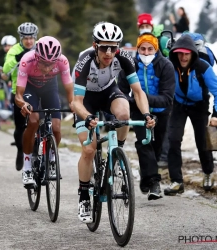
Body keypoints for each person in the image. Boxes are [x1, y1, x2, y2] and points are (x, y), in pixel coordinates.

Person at [73, 22, 155, 223]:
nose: (109, 52)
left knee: (124, 113)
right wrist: (88, 117)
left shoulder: (124, 58)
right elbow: (76, 103)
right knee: (89, 149)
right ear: (95, 46)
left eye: (113, 47)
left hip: (109, 91)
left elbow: (137, 92)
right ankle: (84, 196)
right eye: (104, 47)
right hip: (86, 100)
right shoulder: (84, 62)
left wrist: (146, 114)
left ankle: (117, 153)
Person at [118, 32, 175, 200]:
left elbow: (167, 98)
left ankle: (146, 178)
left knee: (156, 149)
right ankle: (155, 183)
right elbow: (120, 92)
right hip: (138, 112)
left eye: (150, 49)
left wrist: (142, 97)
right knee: (144, 143)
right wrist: (135, 101)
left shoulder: (165, 66)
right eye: (142, 49)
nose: (146, 53)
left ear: (156, 49)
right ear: (138, 49)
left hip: (161, 113)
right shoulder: (129, 66)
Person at [15, 36, 74, 186]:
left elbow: (69, 89)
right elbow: (18, 95)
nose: (47, 68)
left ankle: (51, 159)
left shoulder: (62, 61)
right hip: (30, 88)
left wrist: (73, 104)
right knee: (33, 121)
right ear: (36, 57)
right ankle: (27, 165)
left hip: (49, 87)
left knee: (56, 127)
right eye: (43, 63)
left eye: (51, 64)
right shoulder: (26, 60)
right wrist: (23, 105)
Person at [164, 35, 217, 195]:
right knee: (173, 139)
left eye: (187, 53)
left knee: (202, 141)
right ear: (175, 53)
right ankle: (176, 181)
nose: (183, 57)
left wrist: (216, 114)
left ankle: (208, 173)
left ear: (193, 54)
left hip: (199, 105)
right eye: (180, 53)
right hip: (179, 104)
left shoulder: (203, 67)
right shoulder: (170, 66)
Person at [3, 22, 39, 171]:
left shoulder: (40, 48)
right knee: (19, 126)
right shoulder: (14, 50)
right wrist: (18, 57)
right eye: (26, 38)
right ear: (21, 38)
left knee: (38, 121)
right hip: (19, 93)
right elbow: (5, 69)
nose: (29, 41)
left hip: (37, 90)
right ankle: (20, 149)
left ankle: (36, 150)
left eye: (31, 38)